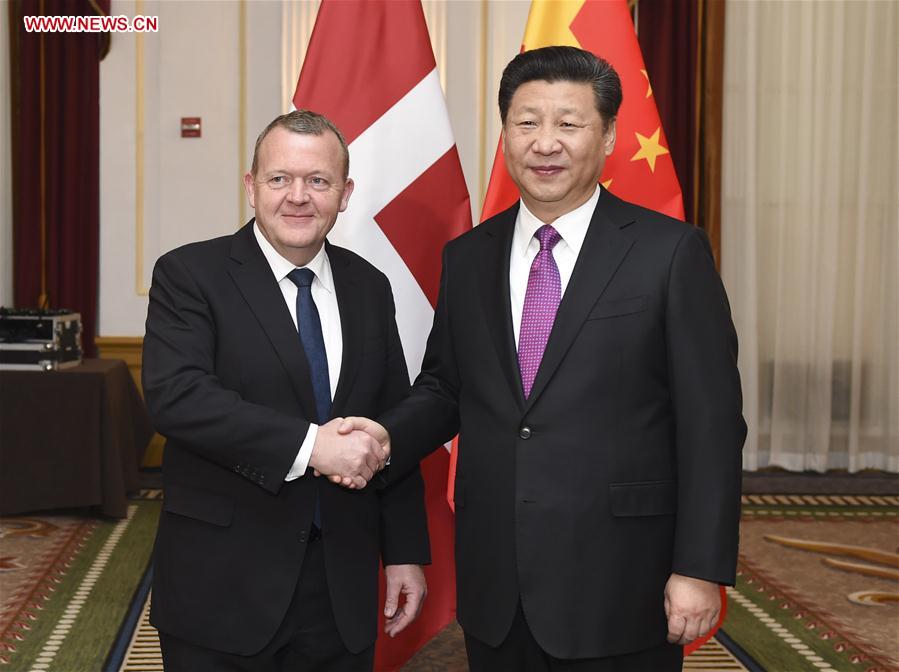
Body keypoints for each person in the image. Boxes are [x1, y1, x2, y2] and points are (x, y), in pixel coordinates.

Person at [339, 46, 746, 671]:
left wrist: (698, 567)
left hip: (622, 578)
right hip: (497, 580)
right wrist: (385, 435)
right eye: (527, 122)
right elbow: (448, 387)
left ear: (608, 136)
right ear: (504, 134)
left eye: (568, 123)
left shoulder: (670, 254)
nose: (545, 143)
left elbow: (712, 423)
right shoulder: (469, 257)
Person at [142, 110, 429, 671]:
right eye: (280, 179)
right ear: (251, 187)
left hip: (340, 585)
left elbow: (391, 423)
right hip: (222, 585)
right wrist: (311, 446)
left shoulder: (369, 286)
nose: (298, 197)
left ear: (344, 194)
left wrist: (404, 554)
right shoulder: (190, 274)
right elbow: (178, 398)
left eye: (318, 181)